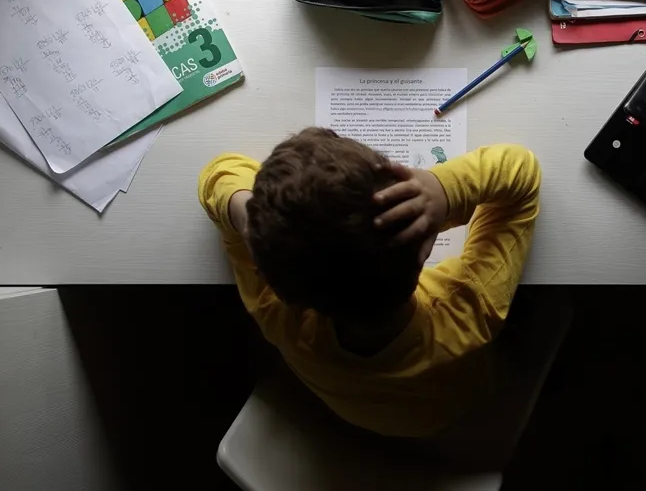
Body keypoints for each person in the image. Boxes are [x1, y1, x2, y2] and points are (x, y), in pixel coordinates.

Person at [198, 128, 541, 438]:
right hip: (460, 412)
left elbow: (217, 174)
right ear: (425, 243)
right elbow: (521, 174)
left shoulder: (277, 314)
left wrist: (250, 217)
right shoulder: (467, 313)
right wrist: (445, 189)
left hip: (352, 417)